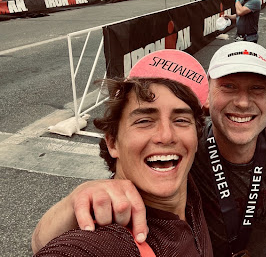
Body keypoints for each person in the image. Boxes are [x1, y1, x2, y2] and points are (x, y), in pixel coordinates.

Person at [32, 42, 266, 257]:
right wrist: (75, 202)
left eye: (257, 89)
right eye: (228, 87)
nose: (165, 135)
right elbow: (58, 247)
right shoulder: (189, 148)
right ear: (209, 100)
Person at [34, 49, 214, 256]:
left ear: (196, 136)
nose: (166, 136)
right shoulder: (111, 241)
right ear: (112, 143)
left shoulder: (190, 180)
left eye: (181, 120)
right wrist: (73, 201)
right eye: (144, 121)